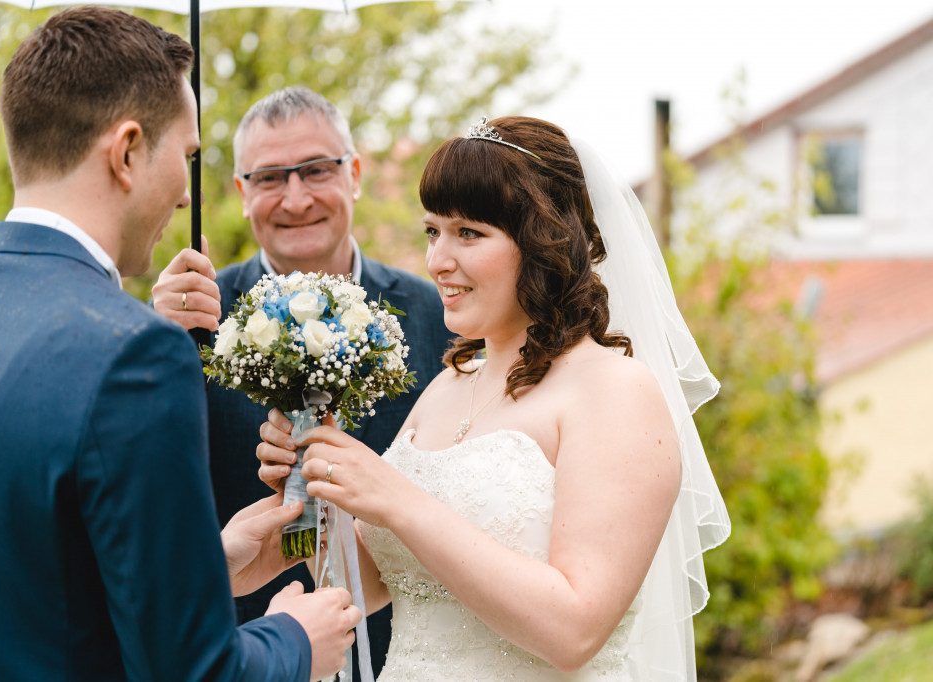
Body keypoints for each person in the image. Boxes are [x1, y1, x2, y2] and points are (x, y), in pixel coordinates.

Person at [0, 8, 360, 681]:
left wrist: (211, 556)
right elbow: (195, 672)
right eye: (185, 156)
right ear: (125, 153)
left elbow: (23, 575)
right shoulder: (135, 354)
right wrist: (295, 639)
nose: (185, 195)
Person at [257, 116, 732, 680]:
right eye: (433, 231)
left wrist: (398, 500)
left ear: (543, 242)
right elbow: (372, 584)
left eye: (468, 233)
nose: (437, 260)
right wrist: (313, 493)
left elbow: (575, 630)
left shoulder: (614, 392)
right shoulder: (445, 387)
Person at [152, 87, 453, 675]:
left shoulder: (437, 315)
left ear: (355, 176)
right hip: (252, 653)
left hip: (409, 652)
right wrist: (151, 341)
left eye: (316, 170)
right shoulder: (194, 321)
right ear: (241, 193)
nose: (296, 198)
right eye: (269, 178)